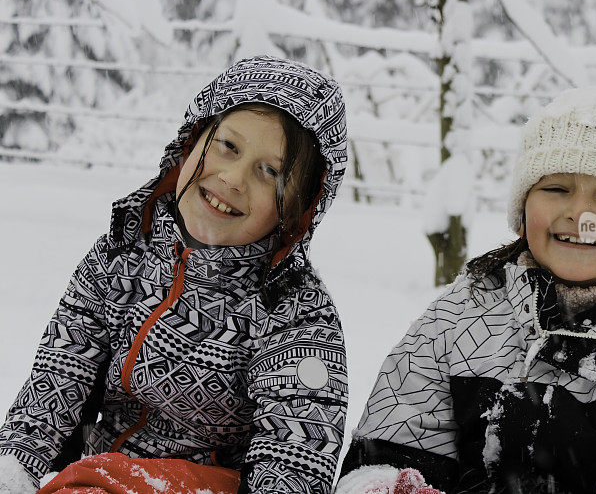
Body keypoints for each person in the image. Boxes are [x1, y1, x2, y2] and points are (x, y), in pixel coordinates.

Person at [337, 86, 596, 494]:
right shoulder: (459, 315)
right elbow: (390, 445)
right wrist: (388, 485)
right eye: (557, 189)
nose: (580, 213)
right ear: (523, 210)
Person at [0, 55, 349, 494]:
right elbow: (62, 369)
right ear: (193, 140)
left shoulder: (295, 313)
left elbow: (295, 452)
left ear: (300, 208)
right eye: (228, 146)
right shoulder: (125, 250)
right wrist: (14, 464)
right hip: (102, 474)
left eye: (270, 172)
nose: (233, 177)